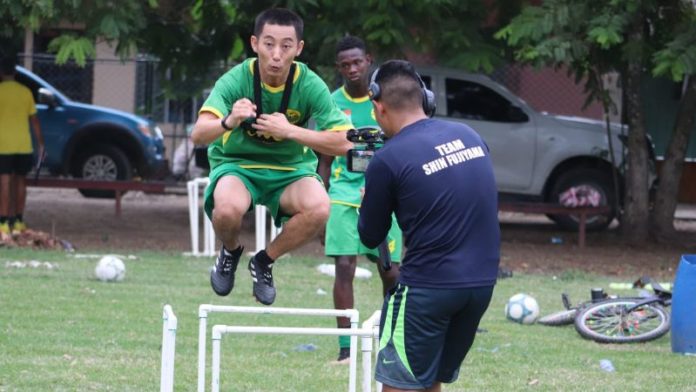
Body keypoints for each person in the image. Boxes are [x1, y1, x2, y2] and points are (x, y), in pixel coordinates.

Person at [191, 8, 353, 306]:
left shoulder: (309, 84)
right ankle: (229, 250)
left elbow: (345, 143)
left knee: (320, 208)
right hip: (238, 166)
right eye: (269, 44)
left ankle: (264, 261)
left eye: (286, 46)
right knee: (226, 210)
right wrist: (229, 120)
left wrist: (291, 131)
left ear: (299, 49)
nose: (277, 54)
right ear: (255, 44)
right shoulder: (236, 79)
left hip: (290, 170)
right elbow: (198, 134)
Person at [358, 60, 500, 392]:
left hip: (428, 289)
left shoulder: (387, 158)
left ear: (378, 106)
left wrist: (370, 199)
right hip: (480, 287)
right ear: (425, 98)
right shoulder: (470, 135)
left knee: (399, 384)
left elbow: (370, 235)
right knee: (429, 379)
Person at [317, 36, 402, 364]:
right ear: (339, 68)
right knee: (343, 265)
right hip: (342, 193)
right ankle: (346, 347)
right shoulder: (332, 104)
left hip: (382, 192)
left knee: (391, 272)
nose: (352, 69)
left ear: (369, 60)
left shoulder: (385, 101)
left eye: (357, 62)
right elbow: (324, 159)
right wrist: (322, 206)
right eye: (345, 65)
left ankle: (389, 343)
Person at [0, 56, 44, 238]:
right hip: (23, 145)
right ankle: (18, 220)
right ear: (16, 73)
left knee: (4, 182)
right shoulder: (25, 92)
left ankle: (3, 222)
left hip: (3, 145)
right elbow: (34, 121)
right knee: (20, 183)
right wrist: (41, 143)